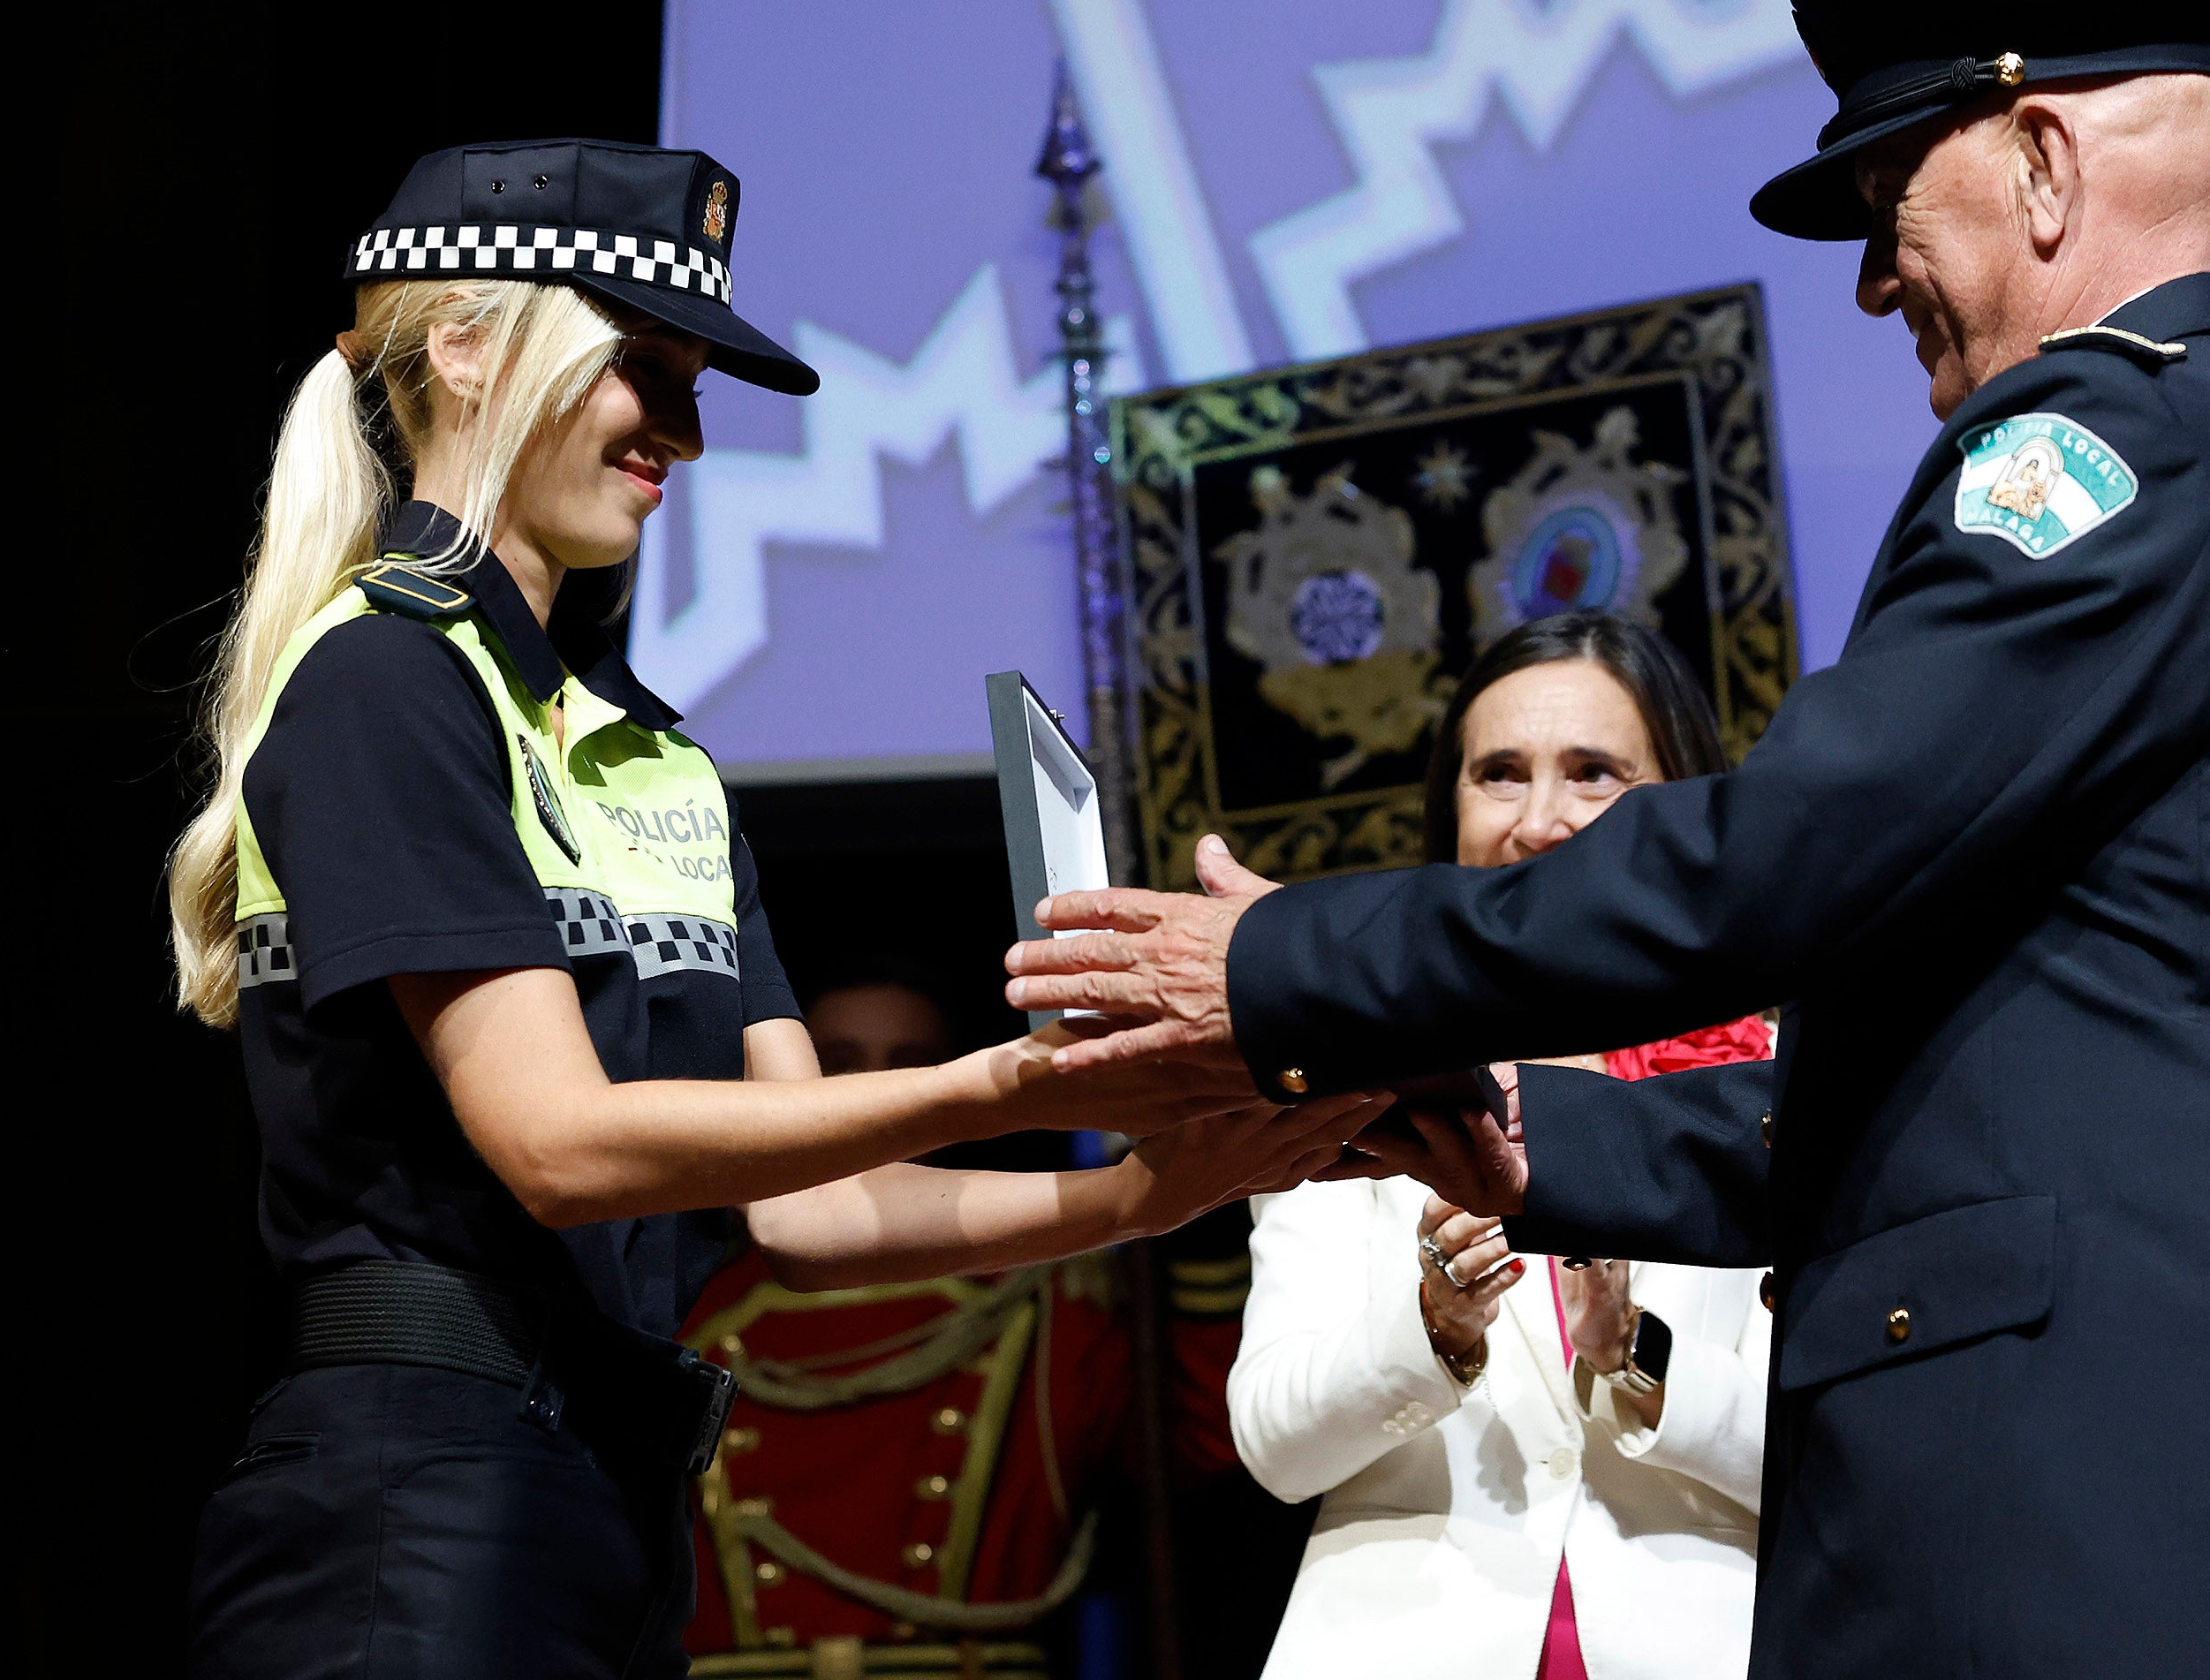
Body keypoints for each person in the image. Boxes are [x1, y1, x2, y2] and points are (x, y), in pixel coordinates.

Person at [1004, 0, 2210, 1676]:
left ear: (2040, 163)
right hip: (2135, 1475)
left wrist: (1284, 961)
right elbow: (1937, 1080)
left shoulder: (2112, 447)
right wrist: (1507, 1122)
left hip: (2145, 1494)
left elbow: (1783, 854)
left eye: (1892, 205)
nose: (1879, 284)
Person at [170, 139, 1383, 1680]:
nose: (679, 431)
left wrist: (1139, 1196)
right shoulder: (383, 679)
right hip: (411, 1499)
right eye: (641, 367)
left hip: (612, 1499)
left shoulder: (661, 755)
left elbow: (804, 1209)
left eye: (696, 384)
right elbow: (556, 1145)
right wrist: (1011, 1078)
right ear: (465, 349)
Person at [1230, 614, 1775, 1680]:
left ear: (1688, 799)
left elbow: (1868, 1446)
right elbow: (1275, 1446)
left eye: (1594, 773)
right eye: (1500, 774)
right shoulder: (1354, 1070)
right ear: (1450, 809)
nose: (1541, 820)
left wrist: (1637, 1354)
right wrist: (1431, 1329)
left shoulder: (1776, 1071)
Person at [680, 980, 1252, 1676]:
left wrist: (1198, 1222)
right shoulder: (691, 1307)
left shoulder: (1042, 1304)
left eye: (907, 1063)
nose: (874, 1088)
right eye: (840, 1062)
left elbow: (1204, 1442)